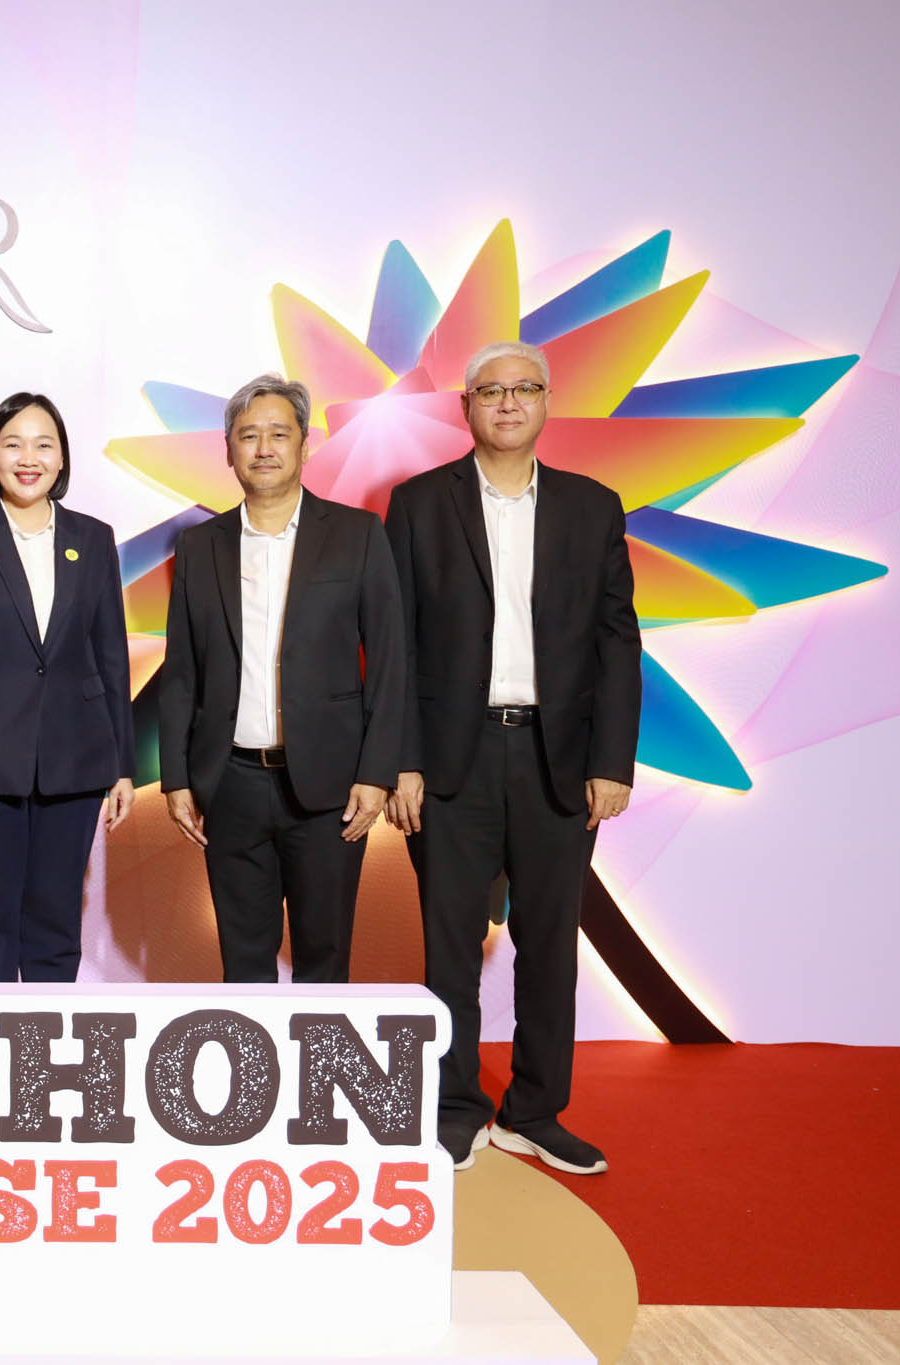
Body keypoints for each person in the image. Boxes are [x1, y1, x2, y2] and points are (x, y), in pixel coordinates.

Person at [383, 340, 641, 1175]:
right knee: (449, 945)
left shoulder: (592, 507)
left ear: (546, 401)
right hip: (448, 760)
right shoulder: (417, 503)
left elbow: (616, 642)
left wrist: (612, 760)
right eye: (489, 390)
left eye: (523, 388)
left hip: (556, 757)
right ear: (465, 406)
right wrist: (401, 761)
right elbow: (395, 644)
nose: (506, 402)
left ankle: (533, 1111)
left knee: (550, 943)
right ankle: (453, 1108)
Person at [156, 375, 404, 986]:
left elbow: (390, 662)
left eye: (278, 434)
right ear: (228, 451)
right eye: (248, 436)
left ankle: (319, 1057)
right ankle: (253, 1058)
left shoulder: (357, 534)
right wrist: (177, 777)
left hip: (330, 787)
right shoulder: (199, 546)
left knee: (325, 959)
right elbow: (182, 671)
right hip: (230, 783)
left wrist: (377, 774)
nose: (263, 448)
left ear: (304, 445)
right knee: (243, 962)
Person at [0, 392, 136, 981]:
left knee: (56, 926)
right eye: (13, 444)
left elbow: (110, 657)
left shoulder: (93, 538)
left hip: (75, 763)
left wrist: (122, 765)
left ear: (62, 458)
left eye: (44, 445)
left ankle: (47, 1040)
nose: (28, 458)